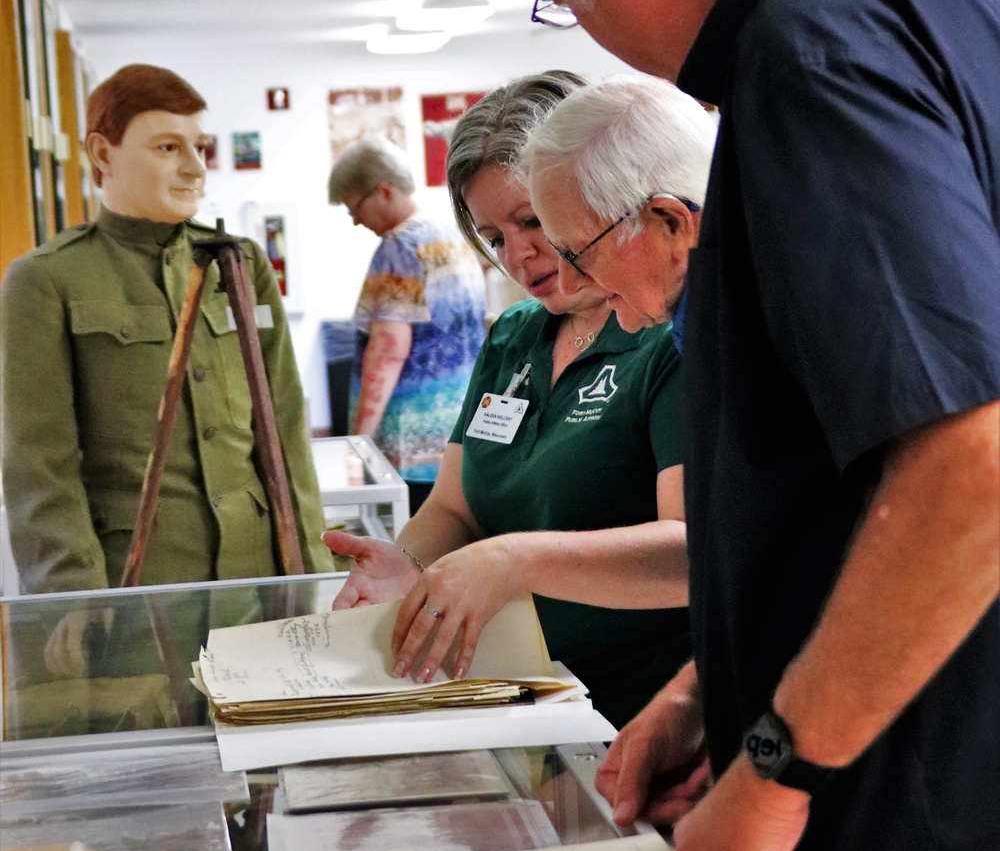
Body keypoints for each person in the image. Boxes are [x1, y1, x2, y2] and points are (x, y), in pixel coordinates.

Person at [483, 0, 1000, 851]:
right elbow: (844, 481)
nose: (585, 28)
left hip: (920, 820)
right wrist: (718, 689)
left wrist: (774, 767)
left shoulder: (810, 49)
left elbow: (974, 463)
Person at [324, 71, 715, 730]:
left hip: (646, 711)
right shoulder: (514, 336)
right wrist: (410, 567)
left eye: (534, 220)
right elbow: (454, 505)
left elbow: (692, 551)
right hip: (521, 700)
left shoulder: (667, 334)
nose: (524, 253)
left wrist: (513, 560)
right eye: (495, 236)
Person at [0, 63, 332, 678]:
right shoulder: (46, 281)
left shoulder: (240, 264)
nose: (195, 167)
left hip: (256, 583)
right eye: (168, 147)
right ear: (103, 152)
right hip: (137, 593)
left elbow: (284, 422)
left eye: (198, 147)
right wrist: (73, 595)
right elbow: (37, 462)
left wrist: (305, 571)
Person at [327, 137, 485, 513]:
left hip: (410, 445)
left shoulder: (398, 248)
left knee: (409, 552)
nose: (355, 220)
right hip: (460, 435)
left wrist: (357, 442)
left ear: (384, 191)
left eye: (355, 207)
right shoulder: (455, 235)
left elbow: (387, 351)